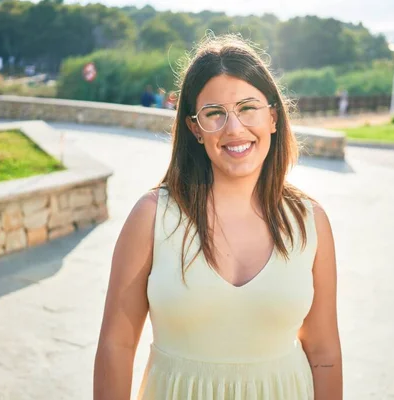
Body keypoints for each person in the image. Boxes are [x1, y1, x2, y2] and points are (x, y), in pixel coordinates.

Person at [94, 35, 343, 400]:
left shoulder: (310, 221)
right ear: (195, 128)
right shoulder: (152, 217)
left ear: (273, 117)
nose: (234, 129)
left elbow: (324, 351)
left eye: (247, 108)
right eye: (214, 114)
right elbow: (116, 345)